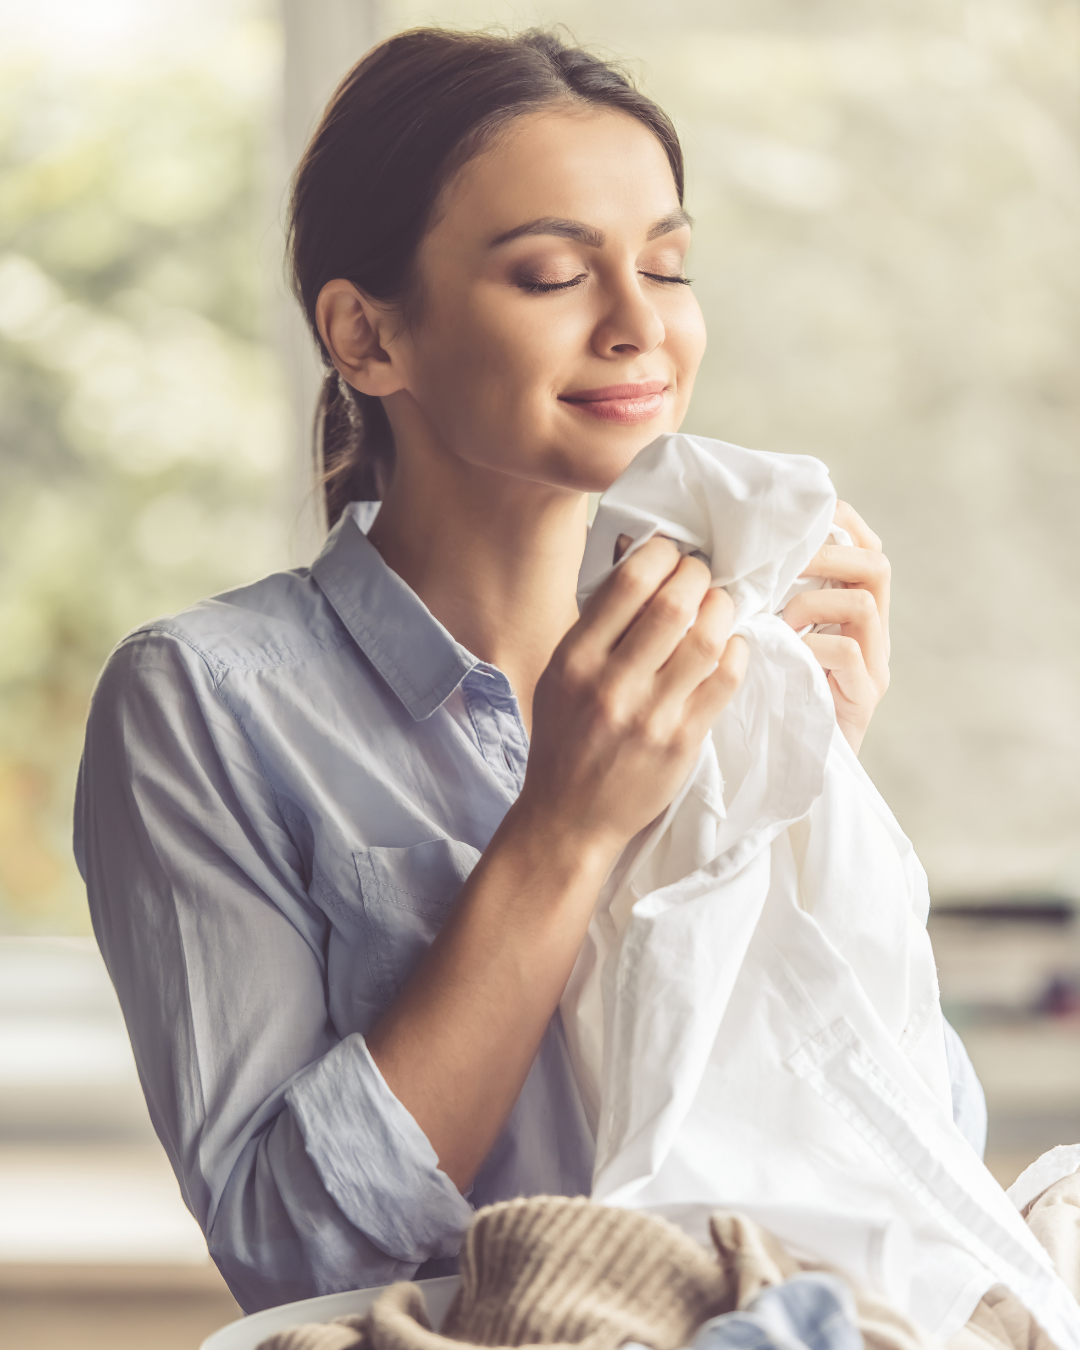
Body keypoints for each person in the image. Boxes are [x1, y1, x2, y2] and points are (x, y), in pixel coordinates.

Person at [76, 29, 897, 1314]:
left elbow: (885, 1158)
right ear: (367, 337)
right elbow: (293, 1252)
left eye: (668, 266)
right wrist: (566, 828)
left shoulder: (733, 674)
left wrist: (806, 795)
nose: (641, 325)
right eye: (555, 273)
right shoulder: (201, 701)